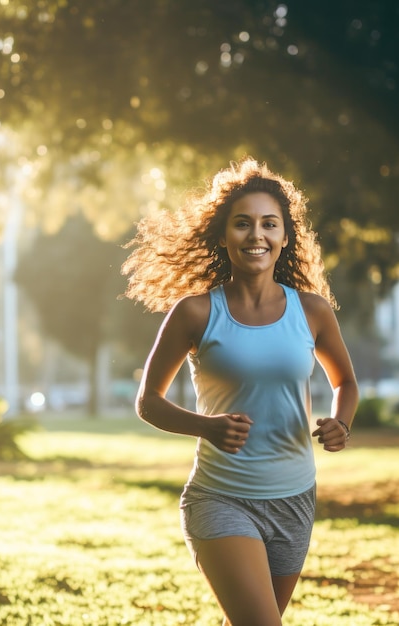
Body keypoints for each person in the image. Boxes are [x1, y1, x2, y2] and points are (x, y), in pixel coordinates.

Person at [122, 157, 359, 626]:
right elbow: (148, 401)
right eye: (243, 224)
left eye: (269, 224)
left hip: (295, 499)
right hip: (221, 497)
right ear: (224, 234)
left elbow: (345, 382)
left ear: (285, 237)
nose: (257, 235)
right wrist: (205, 427)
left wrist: (341, 422)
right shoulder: (194, 313)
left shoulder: (311, 311)